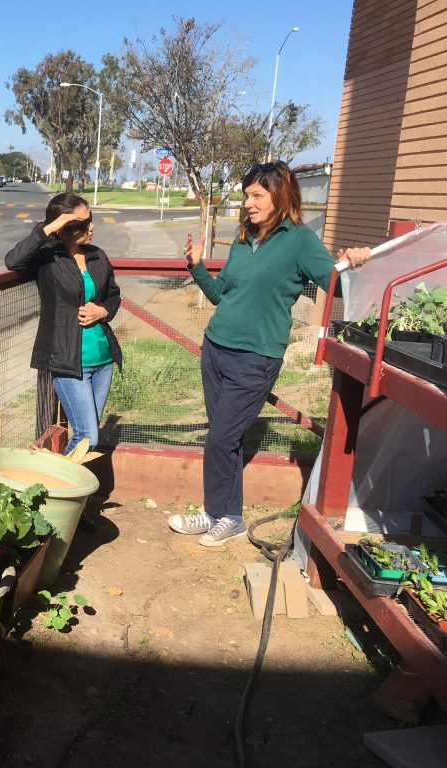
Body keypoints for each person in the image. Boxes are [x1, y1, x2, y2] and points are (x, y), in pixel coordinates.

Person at [168, 161, 371, 547]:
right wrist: (196, 268)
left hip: (256, 358)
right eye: (246, 195)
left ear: (280, 196)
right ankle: (222, 514)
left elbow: (337, 286)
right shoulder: (244, 239)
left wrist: (356, 264)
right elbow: (219, 293)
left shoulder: (299, 241)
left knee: (220, 439)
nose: (248, 203)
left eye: (256, 195)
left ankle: (224, 515)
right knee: (224, 439)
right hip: (216, 349)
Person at [5, 192, 122, 454]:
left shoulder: (97, 256)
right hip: (68, 360)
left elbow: (113, 296)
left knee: (88, 435)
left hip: (102, 359)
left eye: (90, 220)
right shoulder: (48, 258)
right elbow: (12, 261)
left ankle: (66, 492)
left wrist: (102, 311)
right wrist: (48, 228)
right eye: (81, 224)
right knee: (87, 437)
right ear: (64, 227)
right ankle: (54, 489)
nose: (91, 227)